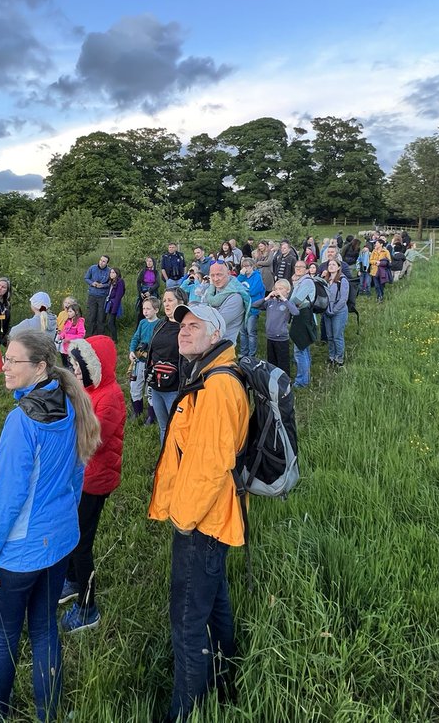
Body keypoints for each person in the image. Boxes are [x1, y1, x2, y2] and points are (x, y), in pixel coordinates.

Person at [0, 330, 100, 723]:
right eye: (4, 359)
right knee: (45, 630)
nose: (4, 367)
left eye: (13, 361)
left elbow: (7, 499)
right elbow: (76, 476)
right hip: (60, 542)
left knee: (4, 636)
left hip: (20, 552)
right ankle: (49, 714)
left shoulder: (21, 422)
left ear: (41, 367)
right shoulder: (72, 404)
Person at [148, 303, 248, 721]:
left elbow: (210, 467)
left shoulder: (218, 387)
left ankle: (184, 712)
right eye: (181, 326)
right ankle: (228, 678)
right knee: (215, 601)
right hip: (211, 518)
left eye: (193, 326)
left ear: (215, 334)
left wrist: (183, 521)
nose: (183, 332)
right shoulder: (206, 375)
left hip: (201, 523)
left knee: (187, 624)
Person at [59, 336, 125, 633]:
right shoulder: (88, 390)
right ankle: (72, 581)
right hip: (82, 476)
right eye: (71, 363)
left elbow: (91, 442)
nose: (73, 368)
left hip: (95, 480)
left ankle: (88, 608)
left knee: (81, 544)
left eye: (77, 364)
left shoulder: (109, 397)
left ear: (93, 366)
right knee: (73, 534)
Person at [146, 288, 185, 445]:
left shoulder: (186, 327)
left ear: (181, 302)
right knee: (164, 428)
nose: (166, 304)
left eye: (170, 300)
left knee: (177, 428)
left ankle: (180, 465)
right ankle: (165, 465)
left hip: (175, 387)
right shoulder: (161, 324)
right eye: (164, 301)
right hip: (157, 385)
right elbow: (153, 350)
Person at [127, 296, 161, 420]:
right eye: (143, 308)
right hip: (139, 360)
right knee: (134, 385)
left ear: (156, 310)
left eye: (148, 309)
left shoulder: (160, 324)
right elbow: (136, 338)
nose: (145, 311)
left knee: (150, 388)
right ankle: (137, 412)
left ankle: (152, 416)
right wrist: (132, 350)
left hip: (152, 362)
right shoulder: (142, 323)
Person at [199, 262, 249, 346]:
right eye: (212, 275)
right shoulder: (211, 290)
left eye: (219, 275)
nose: (215, 279)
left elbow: (215, 323)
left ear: (228, 273)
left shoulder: (236, 297)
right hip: (206, 344)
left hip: (223, 347)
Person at [262, 279, 299, 377]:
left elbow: (295, 312)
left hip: (281, 338)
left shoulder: (288, 303)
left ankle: (285, 382)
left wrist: (284, 298)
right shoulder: (271, 302)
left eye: (281, 289)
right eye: (276, 288)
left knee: (283, 362)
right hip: (270, 336)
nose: (277, 291)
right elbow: (255, 305)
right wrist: (267, 297)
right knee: (272, 361)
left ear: (287, 290)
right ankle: (273, 380)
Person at [290, 261, 316, 387]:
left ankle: (301, 382)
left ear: (306, 270)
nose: (298, 268)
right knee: (303, 348)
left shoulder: (306, 282)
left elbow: (296, 300)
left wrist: (286, 301)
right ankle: (305, 377)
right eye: (297, 266)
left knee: (299, 350)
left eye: (301, 267)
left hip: (303, 317)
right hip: (301, 315)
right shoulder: (301, 281)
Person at [321, 259, 349, 366]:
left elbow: (343, 299)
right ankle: (331, 356)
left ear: (338, 267)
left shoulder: (342, 280)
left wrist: (334, 310)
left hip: (339, 312)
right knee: (330, 336)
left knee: (337, 335)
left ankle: (339, 358)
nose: (331, 266)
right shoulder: (326, 279)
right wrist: (327, 310)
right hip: (327, 311)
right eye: (329, 265)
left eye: (334, 264)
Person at [236, 257, 265, 359]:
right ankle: (244, 352)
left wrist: (241, 291)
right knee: (242, 331)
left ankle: (252, 354)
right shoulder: (243, 277)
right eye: (243, 266)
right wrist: (241, 275)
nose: (245, 268)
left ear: (252, 266)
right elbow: (234, 286)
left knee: (250, 332)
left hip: (252, 308)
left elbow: (253, 291)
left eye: (247, 266)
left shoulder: (257, 277)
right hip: (242, 308)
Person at [84, 255, 112, 337]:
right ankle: (91, 335)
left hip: (102, 296)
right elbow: (86, 278)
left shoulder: (109, 271)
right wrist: (92, 283)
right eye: (100, 260)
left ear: (107, 263)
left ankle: (100, 336)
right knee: (92, 316)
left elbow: (110, 283)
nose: (101, 262)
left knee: (101, 317)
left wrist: (102, 285)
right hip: (92, 295)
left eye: (104, 261)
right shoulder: (92, 268)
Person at [136, 257, 161, 321]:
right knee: (141, 310)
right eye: (147, 261)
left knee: (152, 308)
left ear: (153, 263)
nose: (149, 263)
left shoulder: (156, 272)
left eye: (150, 261)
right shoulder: (143, 271)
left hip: (152, 291)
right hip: (143, 291)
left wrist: (150, 291)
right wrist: (140, 292)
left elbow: (157, 283)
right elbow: (138, 282)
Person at [104, 267, 126, 341]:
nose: (111, 274)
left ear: (117, 274)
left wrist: (114, 309)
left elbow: (118, 296)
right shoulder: (112, 282)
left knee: (110, 322)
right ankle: (113, 338)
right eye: (110, 272)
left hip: (114, 305)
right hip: (110, 304)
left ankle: (114, 339)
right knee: (110, 322)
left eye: (113, 272)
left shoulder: (120, 282)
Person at [369, 238, 392, 302]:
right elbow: (370, 260)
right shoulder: (374, 251)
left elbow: (389, 261)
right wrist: (376, 262)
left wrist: (381, 263)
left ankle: (381, 296)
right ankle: (379, 296)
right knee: (376, 285)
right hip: (374, 271)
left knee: (381, 285)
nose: (375, 245)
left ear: (381, 244)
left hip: (382, 271)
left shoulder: (386, 252)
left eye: (376, 243)